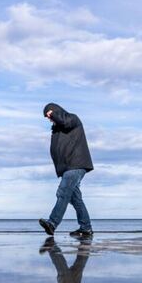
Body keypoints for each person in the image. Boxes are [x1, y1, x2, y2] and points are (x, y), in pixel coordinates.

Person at [39, 102, 94, 238]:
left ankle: (52, 223)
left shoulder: (72, 119)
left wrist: (54, 114)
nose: (49, 118)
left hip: (75, 165)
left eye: (49, 115)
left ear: (55, 111)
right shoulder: (57, 129)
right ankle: (86, 228)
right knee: (76, 199)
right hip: (68, 167)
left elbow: (65, 121)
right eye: (47, 117)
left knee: (62, 192)